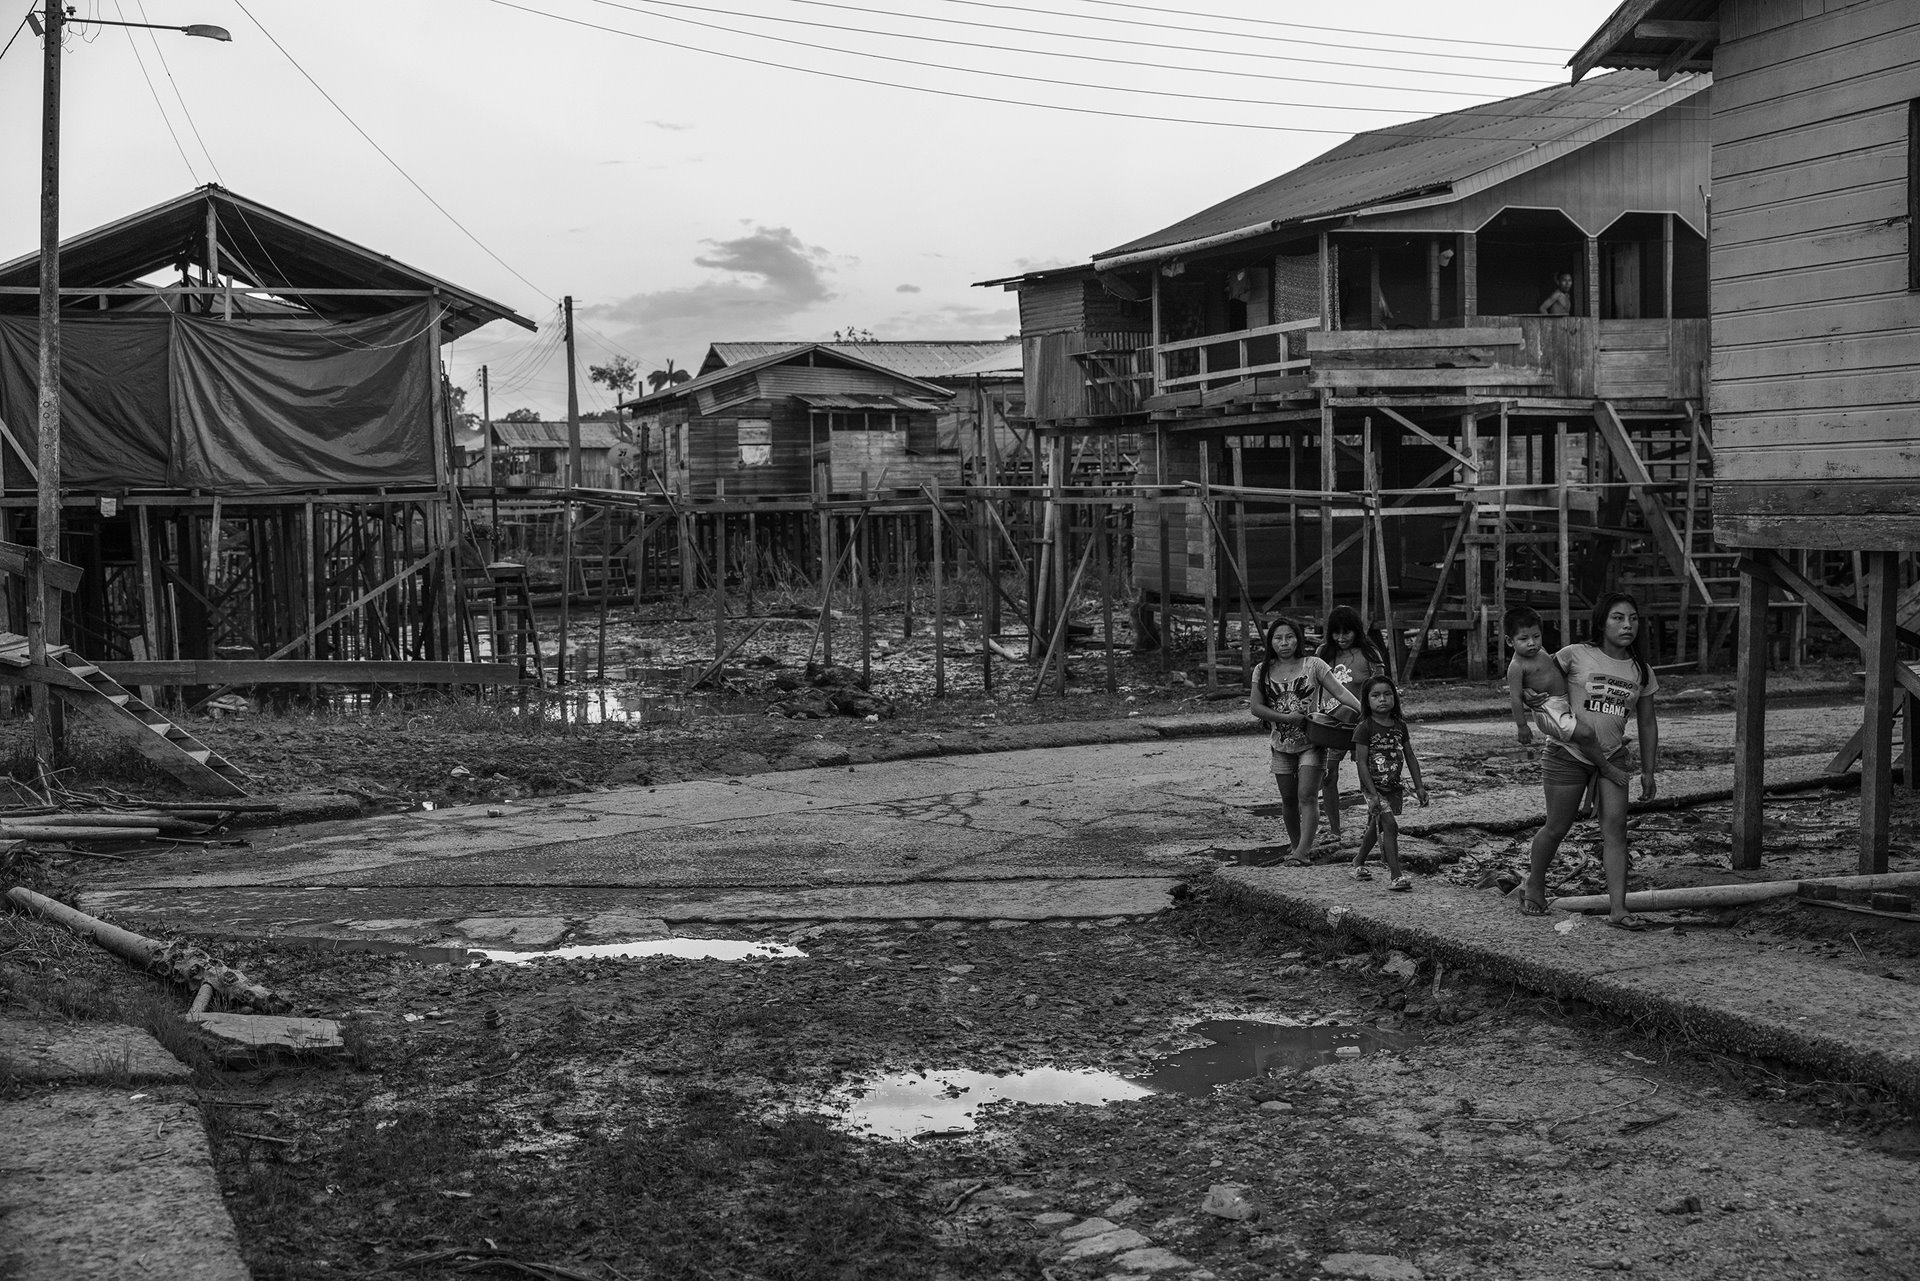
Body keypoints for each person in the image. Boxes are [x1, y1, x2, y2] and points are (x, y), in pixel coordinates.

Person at [1521, 593, 1661, 929]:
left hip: (1613, 757)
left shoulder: (1641, 670)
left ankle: (1619, 909)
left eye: (1633, 618)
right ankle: (1534, 886)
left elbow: (1647, 722)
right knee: (1557, 827)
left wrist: (1649, 771)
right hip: (1566, 755)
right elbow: (1533, 673)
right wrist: (1527, 695)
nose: (1627, 625)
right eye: (1617, 617)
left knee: (1615, 831)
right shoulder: (1575, 654)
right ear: (1601, 622)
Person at [1248, 616, 1364, 863]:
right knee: (1288, 799)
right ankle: (1295, 845)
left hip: (1313, 741)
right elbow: (1256, 707)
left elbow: (1342, 692)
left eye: (1289, 637)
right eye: (1278, 638)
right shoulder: (1262, 670)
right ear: (1271, 643)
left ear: (1298, 639)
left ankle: (1303, 852)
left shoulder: (1314, 665)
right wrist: (1286, 718)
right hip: (1280, 744)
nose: (1284, 643)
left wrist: (1365, 714)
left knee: (1307, 796)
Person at [1504, 606, 1630, 795]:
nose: (1532, 643)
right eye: (1523, 639)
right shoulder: (1517, 666)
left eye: (1536, 636)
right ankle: (1605, 766)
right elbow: (1515, 698)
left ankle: (1608, 743)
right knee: (1585, 733)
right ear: (1509, 641)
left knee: (1589, 718)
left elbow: (1551, 665)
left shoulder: (1541, 651)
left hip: (1563, 701)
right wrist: (1522, 726)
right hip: (1550, 708)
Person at [1313, 606, 1386, 850]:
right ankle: (1335, 830)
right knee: (1327, 775)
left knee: (1368, 780)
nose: (1341, 638)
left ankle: (1370, 829)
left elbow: (1382, 689)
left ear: (1356, 631)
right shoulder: (1323, 653)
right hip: (1330, 725)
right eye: (1336, 633)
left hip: (1362, 726)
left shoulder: (1370, 654)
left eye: (1347, 633)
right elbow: (1312, 686)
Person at [1350, 675, 1428, 891]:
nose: (1382, 699)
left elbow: (1410, 756)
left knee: (1375, 828)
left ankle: (1358, 862)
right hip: (1373, 787)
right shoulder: (1364, 728)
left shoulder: (1400, 726)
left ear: (1395, 697)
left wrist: (1419, 786)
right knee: (1390, 826)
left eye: (1387, 694)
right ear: (1367, 701)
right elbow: (1362, 763)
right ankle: (1396, 875)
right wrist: (1372, 794)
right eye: (1375, 695)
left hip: (1393, 785)